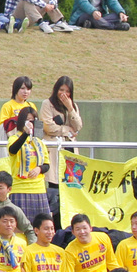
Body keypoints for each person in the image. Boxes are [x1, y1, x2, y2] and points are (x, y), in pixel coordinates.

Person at [41, 77, 81, 216]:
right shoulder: (47, 104)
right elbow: (48, 126)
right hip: (55, 149)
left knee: (70, 186)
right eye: (61, 90)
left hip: (69, 149)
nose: (64, 94)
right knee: (55, 186)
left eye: (67, 91)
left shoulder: (72, 106)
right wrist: (66, 130)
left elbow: (78, 126)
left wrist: (70, 108)